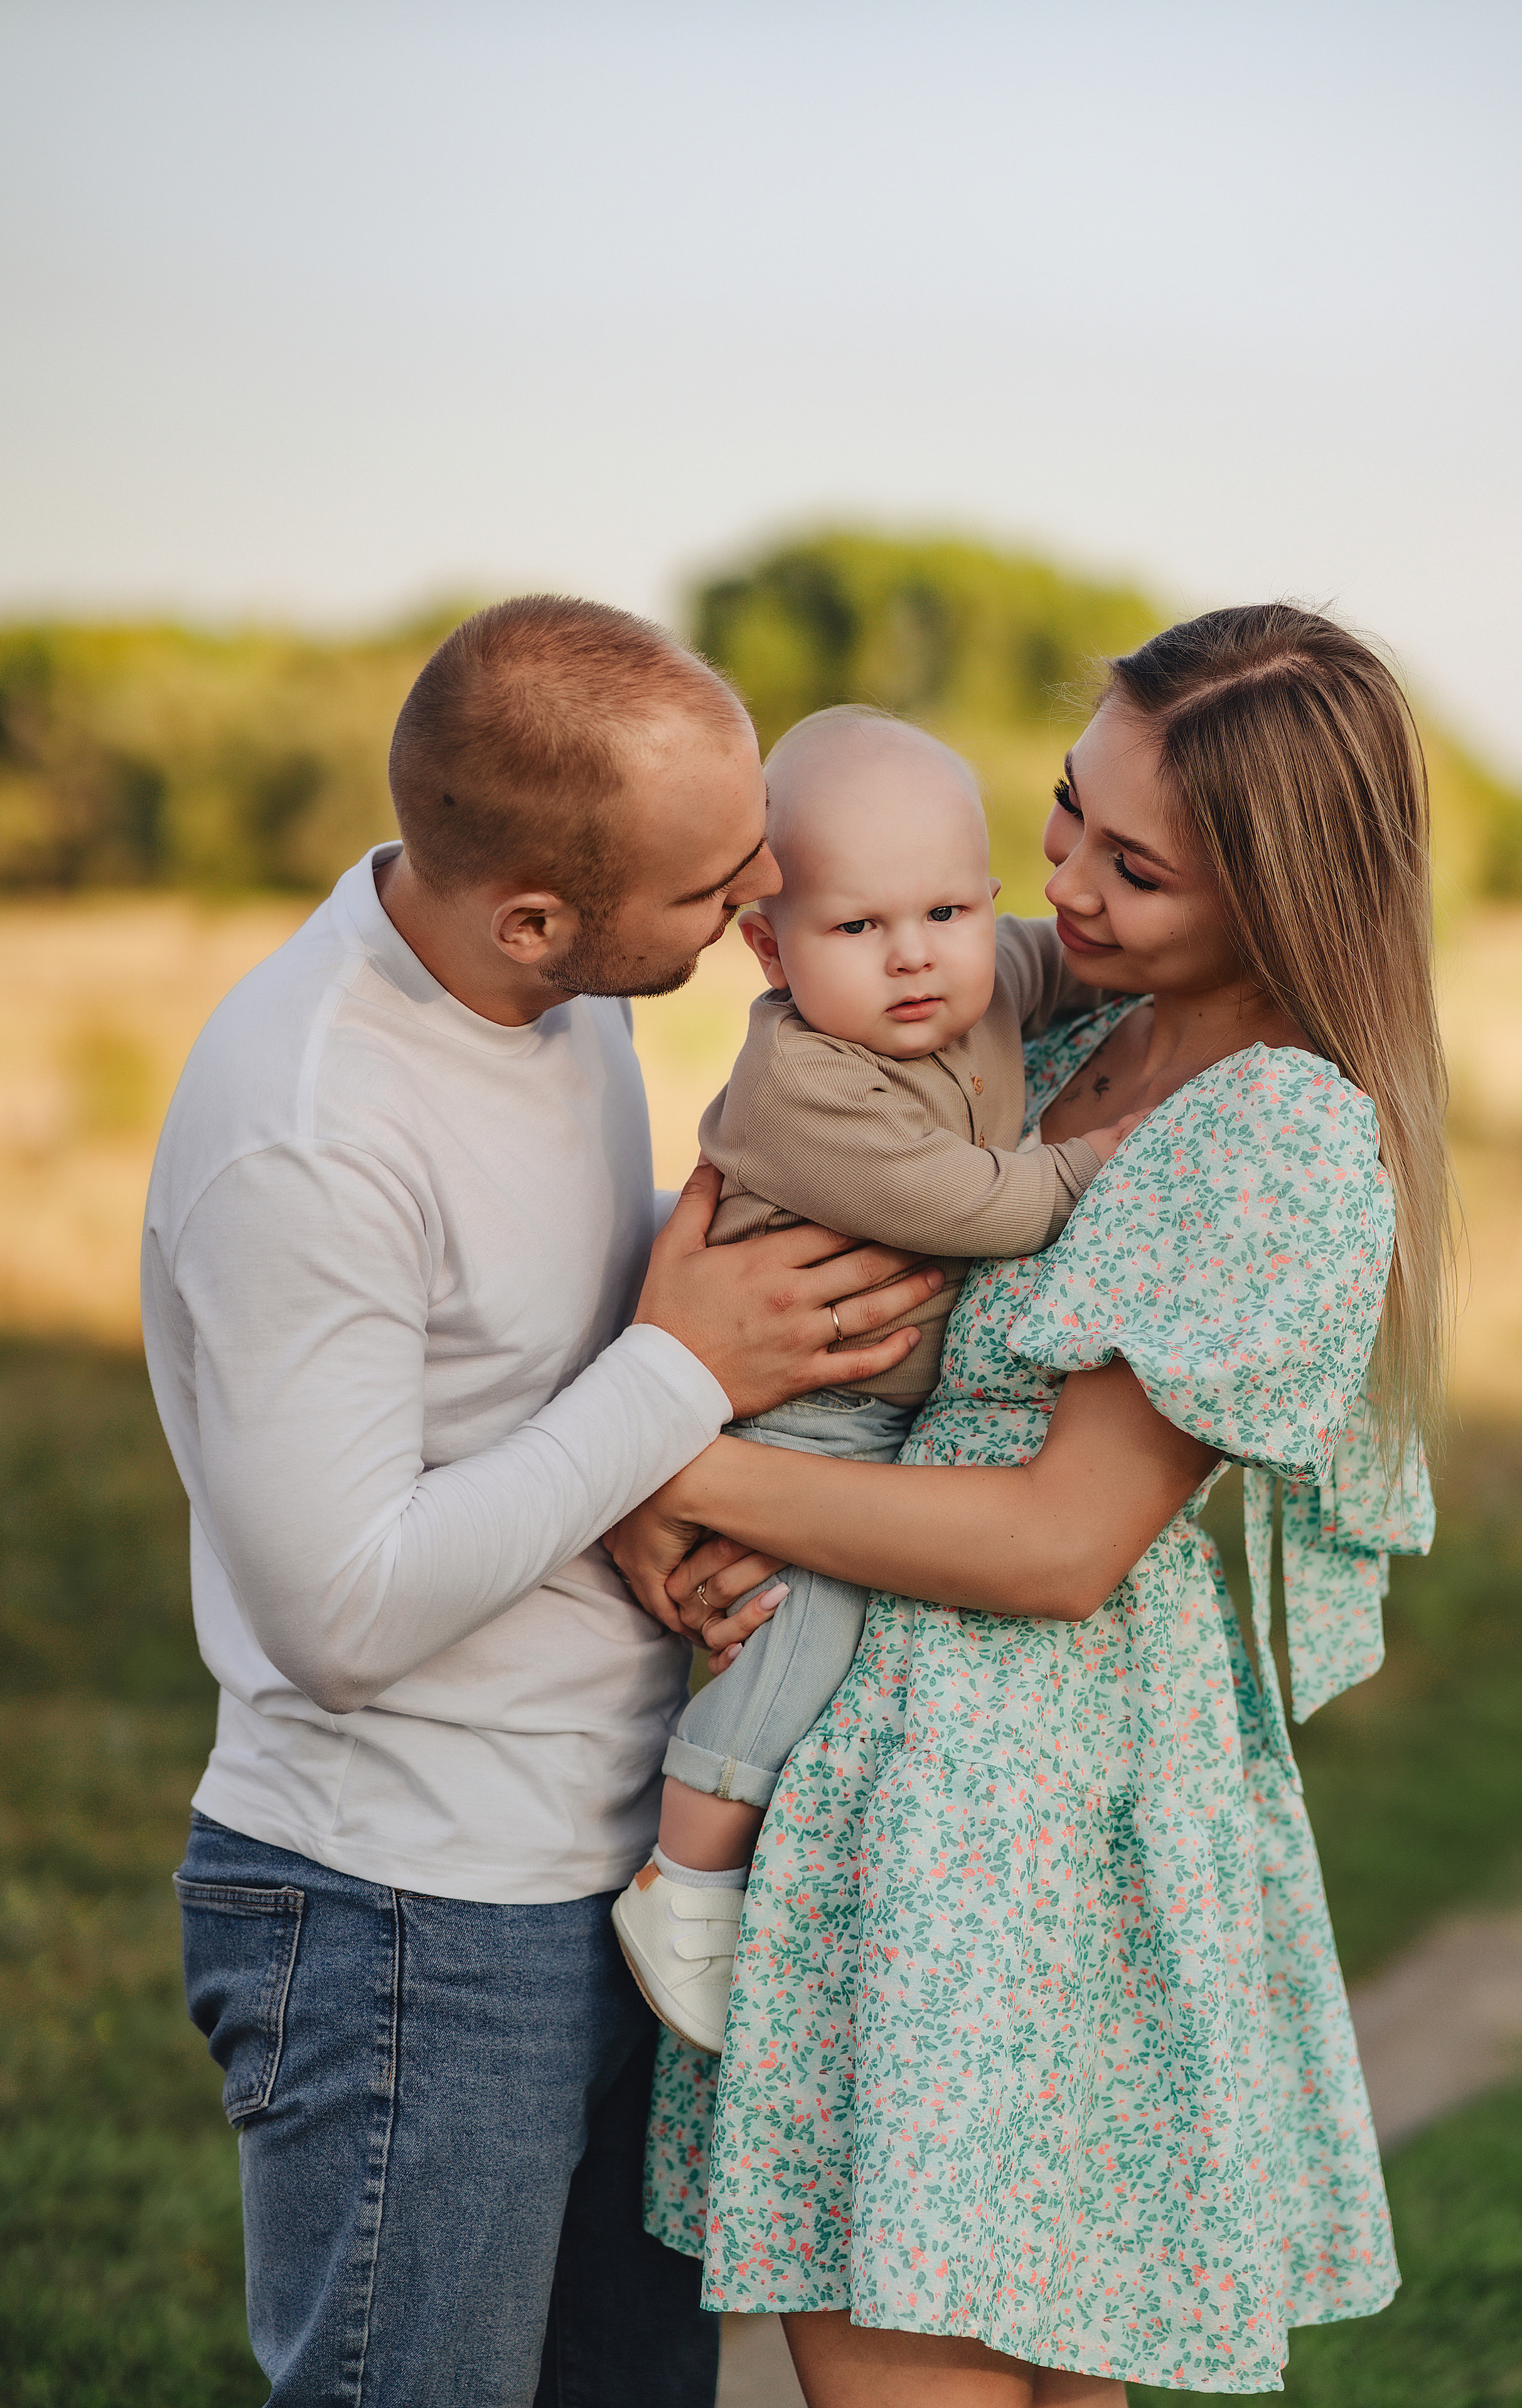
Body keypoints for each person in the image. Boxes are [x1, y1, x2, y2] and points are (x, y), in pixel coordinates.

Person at [608, 604, 1452, 2405]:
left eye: (1132, 865)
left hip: (1025, 1849)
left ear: (1276, 894)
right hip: (907, 1809)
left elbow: (1065, 1543)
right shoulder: (1063, 1045)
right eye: (1068, 809)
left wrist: (663, 1451)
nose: (1060, 878)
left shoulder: (1275, 1129)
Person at [141, 596, 941, 2408]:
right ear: (533, 915)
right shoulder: (313, 1127)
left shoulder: (562, 1000)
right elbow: (336, 1615)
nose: (759, 907)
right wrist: (682, 1379)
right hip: (407, 1908)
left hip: (618, 1870)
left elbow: (532, 1376)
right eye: (711, 889)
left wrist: (659, 1459)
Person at [613, 705, 1135, 2052]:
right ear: (767, 946)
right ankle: (689, 1871)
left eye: (948, 910)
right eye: (855, 928)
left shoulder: (973, 978)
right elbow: (981, 1204)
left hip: (865, 1396)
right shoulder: (805, 1078)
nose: (913, 956)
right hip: (799, 1399)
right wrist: (1098, 1155)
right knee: (802, 1620)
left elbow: (1071, 972)